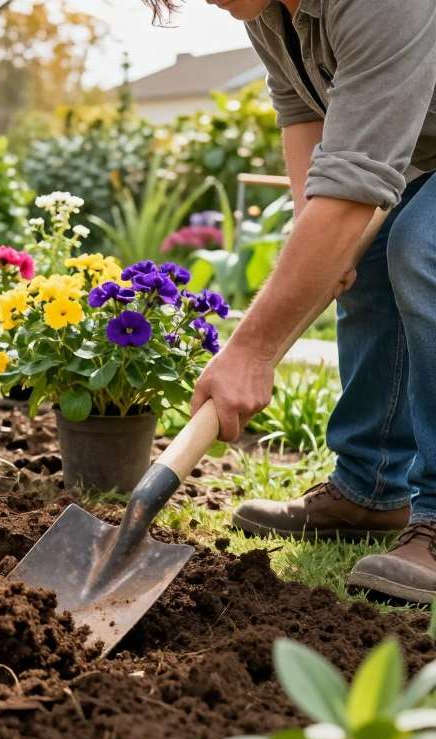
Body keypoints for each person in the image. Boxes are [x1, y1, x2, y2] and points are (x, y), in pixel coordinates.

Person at [143, 0, 436, 602]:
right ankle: (369, 489)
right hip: (418, 154)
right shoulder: (266, 13)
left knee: (422, 248)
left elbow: (356, 182)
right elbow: (303, 107)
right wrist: (319, 241)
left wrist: (251, 349)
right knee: (365, 262)